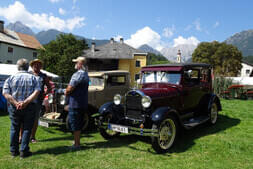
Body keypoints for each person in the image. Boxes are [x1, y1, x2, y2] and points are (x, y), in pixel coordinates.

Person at [2, 58, 41, 158]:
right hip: (29, 107)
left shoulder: (10, 78)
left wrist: (16, 103)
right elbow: (37, 92)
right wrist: (26, 102)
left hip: (14, 107)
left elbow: (5, 93)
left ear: (17, 67)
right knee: (27, 128)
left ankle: (14, 151)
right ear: (28, 67)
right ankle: (24, 151)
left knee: (15, 128)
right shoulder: (34, 78)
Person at [65, 56, 89, 150]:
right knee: (78, 123)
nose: (75, 64)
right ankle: (77, 141)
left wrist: (66, 91)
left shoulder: (78, 74)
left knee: (75, 124)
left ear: (80, 64)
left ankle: (76, 144)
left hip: (75, 103)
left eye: (76, 63)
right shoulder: (86, 74)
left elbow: (70, 88)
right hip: (82, 103)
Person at [29, 59, 52, 143]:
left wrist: (44, 93)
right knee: (25, 118)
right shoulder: (28, 74)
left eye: (38, 64)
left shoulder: (43, 76)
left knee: (35, 118)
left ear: (40, 66)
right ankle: (22, 136)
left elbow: (49, 87)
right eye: (35, 64)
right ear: (32, 66)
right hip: (28, 99)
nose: (37, 66)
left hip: (38, 100)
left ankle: (32, 137)